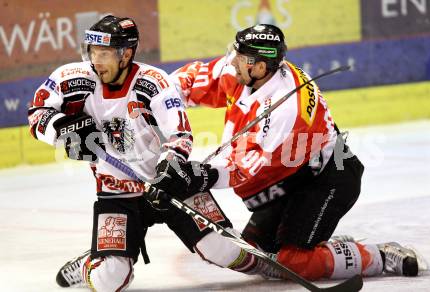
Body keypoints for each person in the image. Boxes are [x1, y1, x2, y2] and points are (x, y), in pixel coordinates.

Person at [28, 16, 283, 292]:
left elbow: (180, 135)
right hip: (118, 193)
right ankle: (93, 262)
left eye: (104, 53)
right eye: (92, 52)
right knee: (110, 281)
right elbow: (38, 112)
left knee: (221, 249)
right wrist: (61, 128)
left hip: (170, 187)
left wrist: (169, 168)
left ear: (126, 54)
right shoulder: (73, 78)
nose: (96, 61)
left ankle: (267, 266)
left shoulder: (153, 82)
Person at [153, 24, 423, 281]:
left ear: (260, 66)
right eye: (235, 53)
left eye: (240, 57)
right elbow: (184, 84)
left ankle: (380, 256)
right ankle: (327, 247)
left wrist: (202, 176)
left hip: (326, 179)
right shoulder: (246, 71)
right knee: (252, 252)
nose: (232, 61)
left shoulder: (283, 109)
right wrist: (151, 102)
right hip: (286, 180)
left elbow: (243, 169)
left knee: (292, 261)